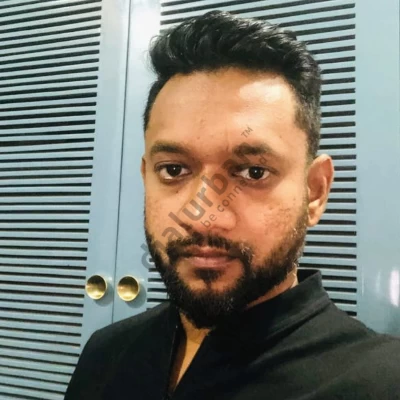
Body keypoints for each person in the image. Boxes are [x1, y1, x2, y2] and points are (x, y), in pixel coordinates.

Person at [64, 10, 400, 400]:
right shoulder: (105, 353)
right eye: (173, 169)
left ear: (315, 191)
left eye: (254, 172)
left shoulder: (380, 382)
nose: (203, 217)